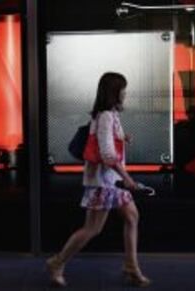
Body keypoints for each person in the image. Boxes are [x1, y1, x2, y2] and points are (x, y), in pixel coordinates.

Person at [46, 72, 151, 287]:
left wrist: (122, 138)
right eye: (122, 89)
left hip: (111, 182)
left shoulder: (110, 114)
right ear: (114, 92)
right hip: (102, 183)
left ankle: (131, 266)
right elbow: (107, 155)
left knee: (132, 216)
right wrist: (128, 179)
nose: (125, 93)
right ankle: (57, 262)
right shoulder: (104, 116)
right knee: (92, 229)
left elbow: (108, 143)